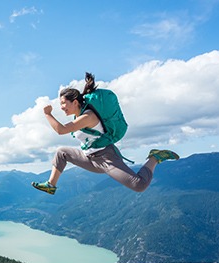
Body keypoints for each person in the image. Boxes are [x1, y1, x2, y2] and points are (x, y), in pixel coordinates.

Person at [31, 73, 179, 195]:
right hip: (89, 158)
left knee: (138, 185)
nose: (62, 107)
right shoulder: (79, 116)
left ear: (75, 102)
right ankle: (51, 185)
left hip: (106, 158)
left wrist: (47, 114)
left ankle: (154, 157)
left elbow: (61, 130)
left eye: (63, 103)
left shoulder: (88, 117)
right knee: (61, 152)